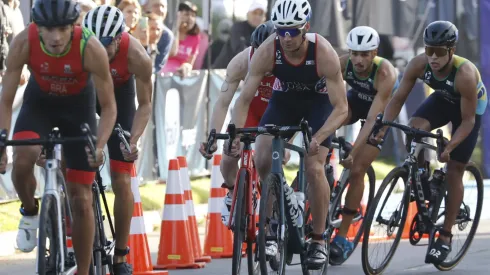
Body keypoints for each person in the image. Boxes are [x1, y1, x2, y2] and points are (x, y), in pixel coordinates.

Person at [0, 1, 117, 275]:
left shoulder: (90, 48)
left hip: (78, 109)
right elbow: (5, 100)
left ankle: (84, 271)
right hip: (39, 104)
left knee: (80, 197)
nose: (55, 37)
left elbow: (110, 106)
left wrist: (99, 146)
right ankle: (29, 212)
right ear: (36, 27)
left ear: (74, 26)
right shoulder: (23, 42)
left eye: (63, 28)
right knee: (23, 160)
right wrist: (2, 140)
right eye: (48, 29)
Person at [229, 0, 348, 269]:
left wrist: (320, 137)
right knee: (262, 158)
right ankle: (271, 228)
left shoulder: (323, 52)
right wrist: (237, 133)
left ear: (306, 28)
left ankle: (318, 239)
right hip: (284, 100)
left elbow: (342, 108)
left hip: (319, 104)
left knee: (314, 165)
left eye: (292, 31)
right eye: (281, 30)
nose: (286, 37)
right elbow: (244, 98)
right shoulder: (269, 49)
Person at [372, 20, 487, 264]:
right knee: (414, 128)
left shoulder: (465, 74)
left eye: (439, 51)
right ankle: (422, 175)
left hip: (468, 110)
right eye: (428, 50)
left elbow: (466, 123)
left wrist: (452, 147)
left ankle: (444, 237)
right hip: (444, 99)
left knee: (455, 169)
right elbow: (398, 98)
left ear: (451, 51)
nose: (433, 57)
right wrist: (382, 128)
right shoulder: (419, 64)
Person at [82, 5, 152, 274]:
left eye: (107, 45)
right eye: (94, 44)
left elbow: (145, 104)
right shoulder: (80, 47)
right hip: (87, 97)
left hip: (120, 98)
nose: (101, 50)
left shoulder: (137, 56)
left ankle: (121, 254)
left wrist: (133, 140)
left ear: (120, 37)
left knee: (122, 178)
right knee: (75, 170)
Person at [323, 26, 398, 261]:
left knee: (356, 169)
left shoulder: (385, 73)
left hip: (380, 115)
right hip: (355, 102)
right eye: (355, 53)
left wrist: (353, 151)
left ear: (375, 53)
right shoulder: (342, 63)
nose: (358, 60)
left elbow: (371, 121)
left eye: (365, 54)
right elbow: (326, 99)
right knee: (325, 124)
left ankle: (343, 237)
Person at [199, 19, 275, 227]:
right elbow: (223, 103)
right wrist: (212, 135)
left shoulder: (285, 62)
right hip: (249, 110)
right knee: (229, 154)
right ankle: (233, 192)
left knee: (265, 162)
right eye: (257, 52)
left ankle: (268, 226)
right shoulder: (241, 62)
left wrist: (285, 143)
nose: (261, 58)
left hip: (277, 114)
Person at [160, 1, 200, 77]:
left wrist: (186, 66)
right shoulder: (167, 33)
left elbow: (190, 63)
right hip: (163, 75)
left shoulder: (195, 38)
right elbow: (171, 52)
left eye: (193, 15)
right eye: (187, 14)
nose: (190, 18)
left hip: (180, 77)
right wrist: (176, 27)